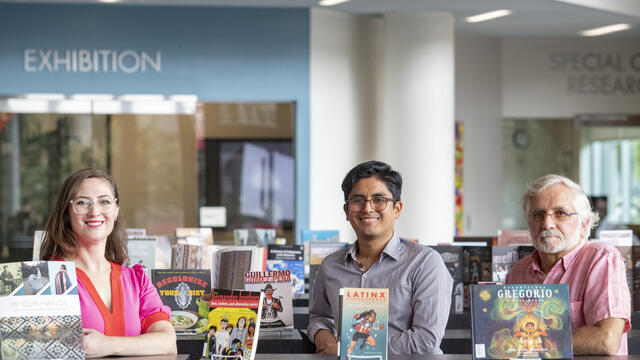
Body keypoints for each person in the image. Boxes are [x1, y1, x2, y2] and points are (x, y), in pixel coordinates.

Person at [308, 160, 453, 355]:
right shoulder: (330, 266)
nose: (367, 208)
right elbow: (319, 316)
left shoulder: (425, 264)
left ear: (397, 209)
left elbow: (426, 341)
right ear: (346, 211)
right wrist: (322, 335)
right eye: (358, 200)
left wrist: (349, 350)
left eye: (378, 199)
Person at [39, 168, 176, 358]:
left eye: (104, 201)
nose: (94, 211)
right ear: (66, 213)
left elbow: (168, 343)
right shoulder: (46, 279)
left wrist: (107, 345)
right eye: (82, 203)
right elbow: (35, 349)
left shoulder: (137, 280)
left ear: (116, 210)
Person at [506, 174, 631, 355]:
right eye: (538, 214)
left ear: (584, 223)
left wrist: (533, 344)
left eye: (561, 213)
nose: (547, 224)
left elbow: (606, 340)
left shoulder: (602, 258)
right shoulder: (518, 272)